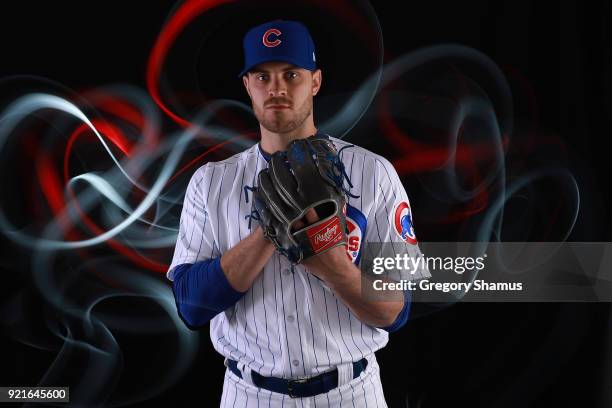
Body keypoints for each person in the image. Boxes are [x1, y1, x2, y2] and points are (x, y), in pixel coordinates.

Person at [167, 19, 429, 407]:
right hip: (249, 394)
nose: (277, 88)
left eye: (291, 74)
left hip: (351, 393)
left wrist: (334, 266)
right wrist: (269, 233)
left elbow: (397, 312)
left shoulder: (373, 173)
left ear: (316, 81)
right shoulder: (211, 183)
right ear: (247, 86)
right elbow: (191, 306)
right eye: (262, 75)